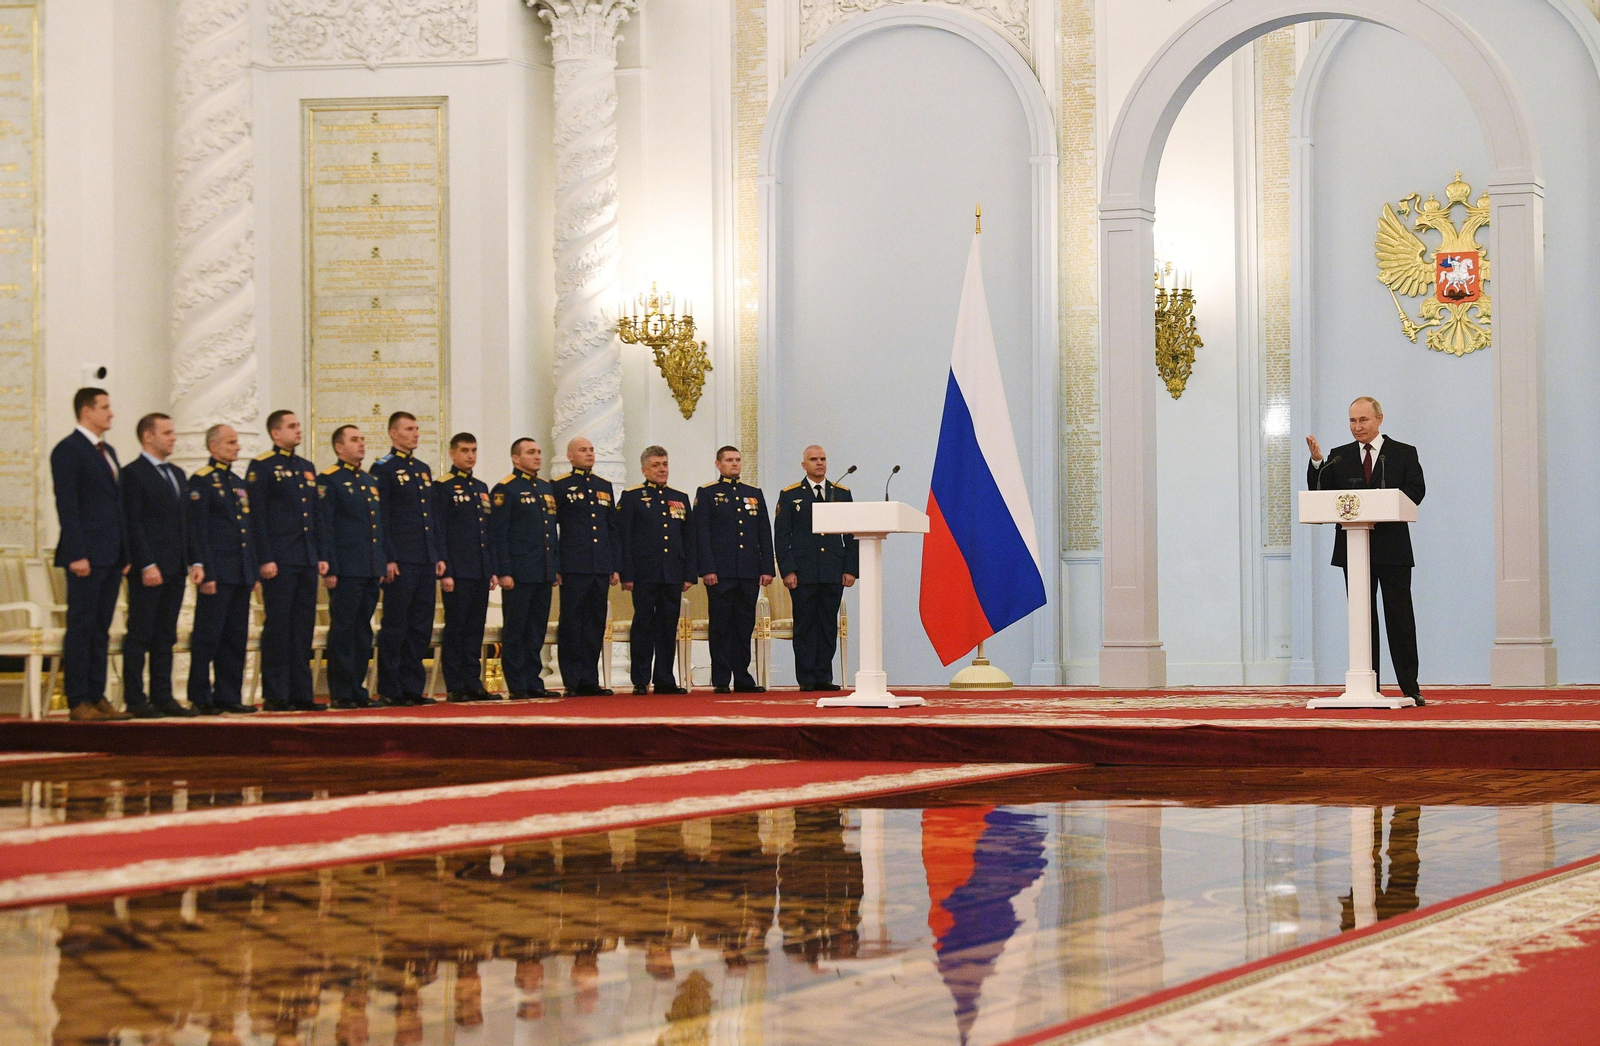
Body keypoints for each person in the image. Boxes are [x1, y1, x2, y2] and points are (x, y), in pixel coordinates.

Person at [1307, 396, 1427, 705]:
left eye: (1363, 420)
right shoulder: (1338, 456)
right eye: (1352, 421)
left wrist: (1387, 505)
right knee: (1363, 618)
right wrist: (1317, 462)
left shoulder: (1403, 453)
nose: (1357, 427)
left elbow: (1416, 492)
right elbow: (1321, 492)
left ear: (1379, 419)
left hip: (1393, 549)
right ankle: (1367, 684)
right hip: (1354, 548)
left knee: (1399, 618)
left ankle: (1409, 686)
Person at [50, 388, 132, 721]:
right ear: (87, 411)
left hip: (111, 554)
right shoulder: (68, 450)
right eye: (105, 407)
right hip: (86, 556)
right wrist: (77, 553)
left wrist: (125, 552)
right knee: (81, 626)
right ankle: (78, 699)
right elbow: (67, 507)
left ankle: (98, 696)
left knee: (101, 627)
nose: (111, 413)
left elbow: (117, 506)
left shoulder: (107, 450)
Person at [246, 410, 326, 711]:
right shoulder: (263, 466)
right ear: (275, 433)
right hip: (279, 560)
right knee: (279, 627)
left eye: (298, 425)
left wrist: (319, 555)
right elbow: (257, 517)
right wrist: (264, 557)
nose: (298, 430)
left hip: (304, 559)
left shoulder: (306, 467)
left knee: (302, 627)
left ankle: (301, 693)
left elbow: (314, 515)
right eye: (291, 427)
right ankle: (276, 694)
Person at [118, 412, 196, 718]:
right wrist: (146, 563)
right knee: (140, 633)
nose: (173, 437)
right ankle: (136, 699)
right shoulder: (133, 473)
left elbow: (184, 522)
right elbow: (132, 522)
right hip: (149, 568)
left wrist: (192, 560)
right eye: (167, 432)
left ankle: (163, 696)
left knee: (166, 634)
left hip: (175, 566)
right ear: (148, 436)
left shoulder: (177, 474)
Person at [370, 411, 445, 706]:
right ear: (393, 433)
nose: (415, 434)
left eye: (417, 428)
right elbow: (381, 516)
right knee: (396, 625)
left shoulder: (423, 469)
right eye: (409, 429)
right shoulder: (383, 469)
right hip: (400, 560)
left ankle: (413, 688)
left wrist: (436, 554)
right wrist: (387, 557)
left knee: (420, 626)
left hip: (424, 559)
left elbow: (431, 519)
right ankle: (390, 688)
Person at [185, 424, 259, 715]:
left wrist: (250, 570)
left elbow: (246, 530)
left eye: (237, 442)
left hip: (240, 571)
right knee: (208, 636)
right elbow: (197, 530)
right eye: (230, 443)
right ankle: (200, 697)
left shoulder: (238, 482)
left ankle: (228, 695)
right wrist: (204, 570)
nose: (237, 447)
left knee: (235, 636)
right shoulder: (202, 481)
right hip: (217, 572)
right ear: (213, 447)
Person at [774, 445, 858, 692]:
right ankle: (807, 677)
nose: (819, 463)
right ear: (804, 465)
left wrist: (851, 568)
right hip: (803, 572)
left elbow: (851, 535)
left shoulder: (841, 493)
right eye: (813, 459)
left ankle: (824, 676)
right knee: (805, 625)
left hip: (833, 570)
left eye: (822, 459)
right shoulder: (790, 495)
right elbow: (782, 536)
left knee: (827, 624)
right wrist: (788, 570)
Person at [318, 424, 388, 709]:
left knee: (363, 630)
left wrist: (380, 563)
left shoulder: (370, 482)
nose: (361, 444)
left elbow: (377, 528)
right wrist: (331, 567)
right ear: (339, 447)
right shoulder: (330, 480)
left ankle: (358, 687)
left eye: (362, 439)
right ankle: (342, 691)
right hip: (346, 569)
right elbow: (326, 527)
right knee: (344, 629)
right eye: (354, 440)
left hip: (369, 567)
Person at [616, 446, 695, 695]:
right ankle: (640, 679)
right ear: (644, 469)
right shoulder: (632, 497)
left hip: (672, 571)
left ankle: (664, 679)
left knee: (667, 626)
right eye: (656, 465)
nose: (662, 469)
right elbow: (624, 539)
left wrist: (688, 573)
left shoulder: (679, 497)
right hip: (644, 572)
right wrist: (627, 574)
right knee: (643, 624)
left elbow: (688, 538)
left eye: (664, 464)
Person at [694, 446, 773, 694]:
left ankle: (742, 677)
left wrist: (767, 568)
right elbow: (701, 534)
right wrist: (707, 568)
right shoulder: (708, 493)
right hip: (721, 572)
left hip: (748, 571)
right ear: (718, 464)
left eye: (738, 460)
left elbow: (764, 533)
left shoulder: (754, 494)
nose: (735, 464)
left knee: (743, 624)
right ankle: (720, 677)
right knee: (721, 625)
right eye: (729, 460)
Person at [492, 438, 562, 699]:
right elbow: (500, 534)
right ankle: (517, 684)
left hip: (542, 570)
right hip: (519, 572)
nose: (537, 457)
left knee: (536, 630)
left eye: (538, 452)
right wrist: (504, 571)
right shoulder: (506, 489)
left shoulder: (545, 488)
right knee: (516, 629)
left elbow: (550, 533)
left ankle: (534, 681)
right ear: (515, 458)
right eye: (530, 452)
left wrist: (553, 566)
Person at [552, 437, 620, 696]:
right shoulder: (560, 486)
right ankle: (572, 680)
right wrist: (557, 563)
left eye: (592, 449)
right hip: (573, 565)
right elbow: (552, 529)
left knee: (594, 623)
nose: (590, 453)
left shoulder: (604, 486)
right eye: (583, 450)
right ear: (570, 456)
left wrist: (614, 564)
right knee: (571, 623)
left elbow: (610, 527)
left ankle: (590, 678)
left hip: (600, 565)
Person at [435, 432, 497, 702]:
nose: (470, 455)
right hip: (457, 572)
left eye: (473, 450)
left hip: (480, 570)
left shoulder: (481, 487)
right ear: (452, 453)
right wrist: (446, 571)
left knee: (475, 629)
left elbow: (487, 533)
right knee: (457, 628)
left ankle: (473, 682)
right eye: (464, 450)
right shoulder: (443, 487)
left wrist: (491, 568)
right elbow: (440, 531)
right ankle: (456, 685)